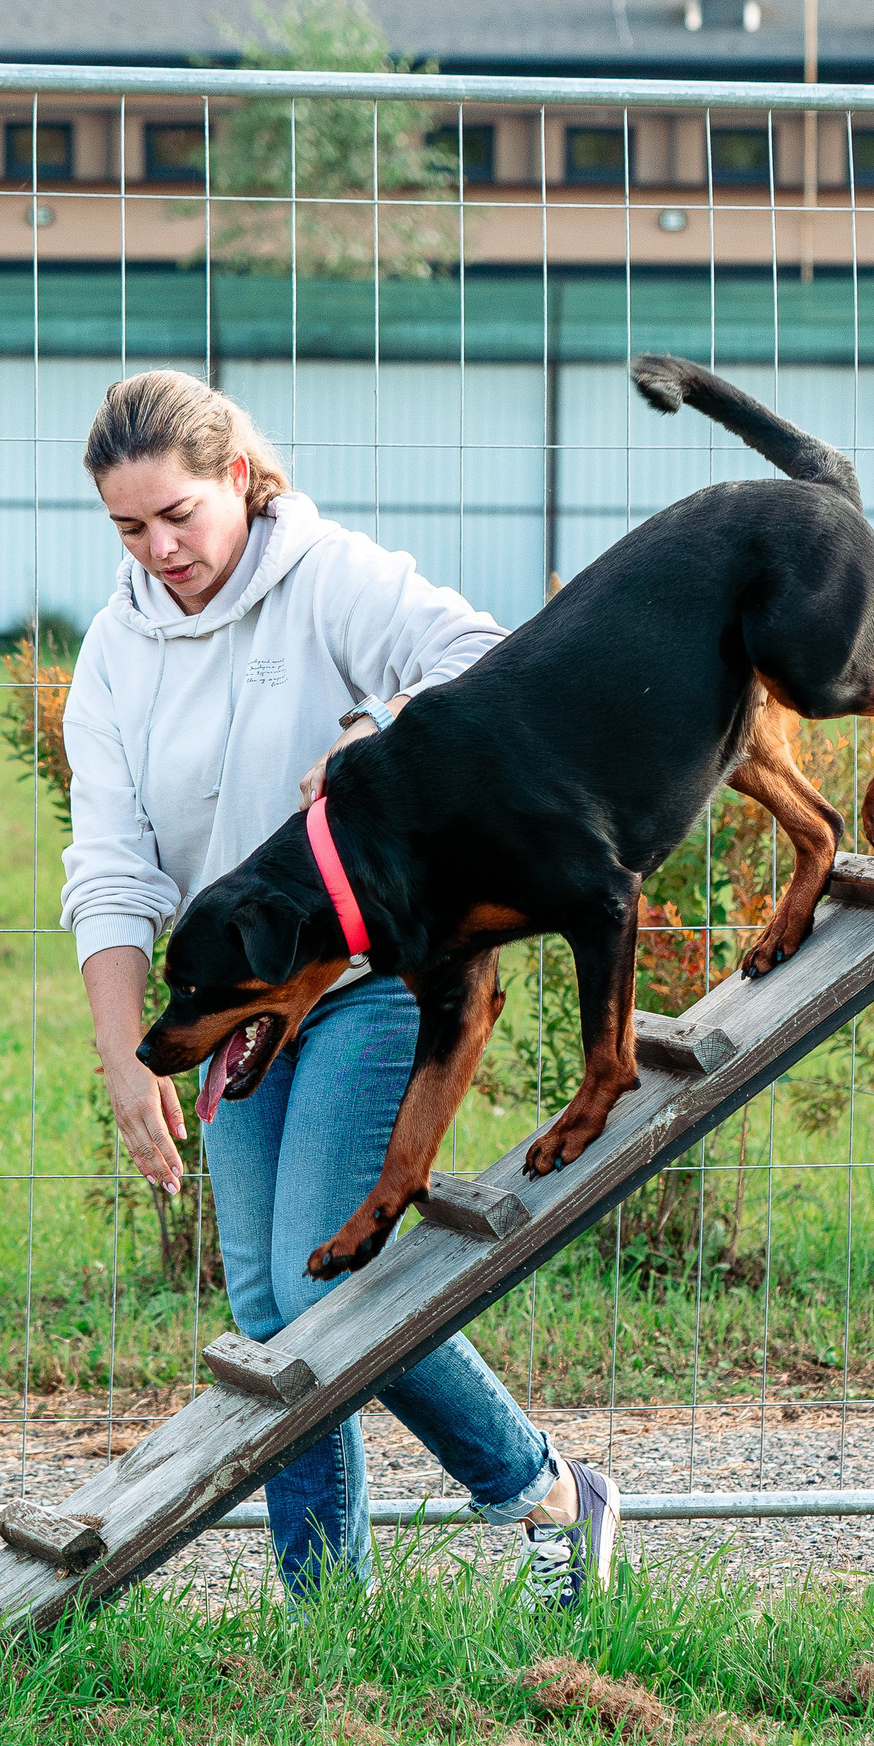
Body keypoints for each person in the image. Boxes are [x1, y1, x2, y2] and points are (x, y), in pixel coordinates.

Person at [59, 369, 620, 1606]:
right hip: (241, 1007)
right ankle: (328, 1611)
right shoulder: (116, 648)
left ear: (244, 482)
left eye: (179, 518)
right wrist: (122, 1060)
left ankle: (547, 1495)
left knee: (326, 1283)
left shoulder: (334, 578)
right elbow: (108, 870)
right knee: (268, 1309)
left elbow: (484, 662)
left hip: (379, 973)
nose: (160, 551)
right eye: (129, 529)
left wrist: (383, 731)